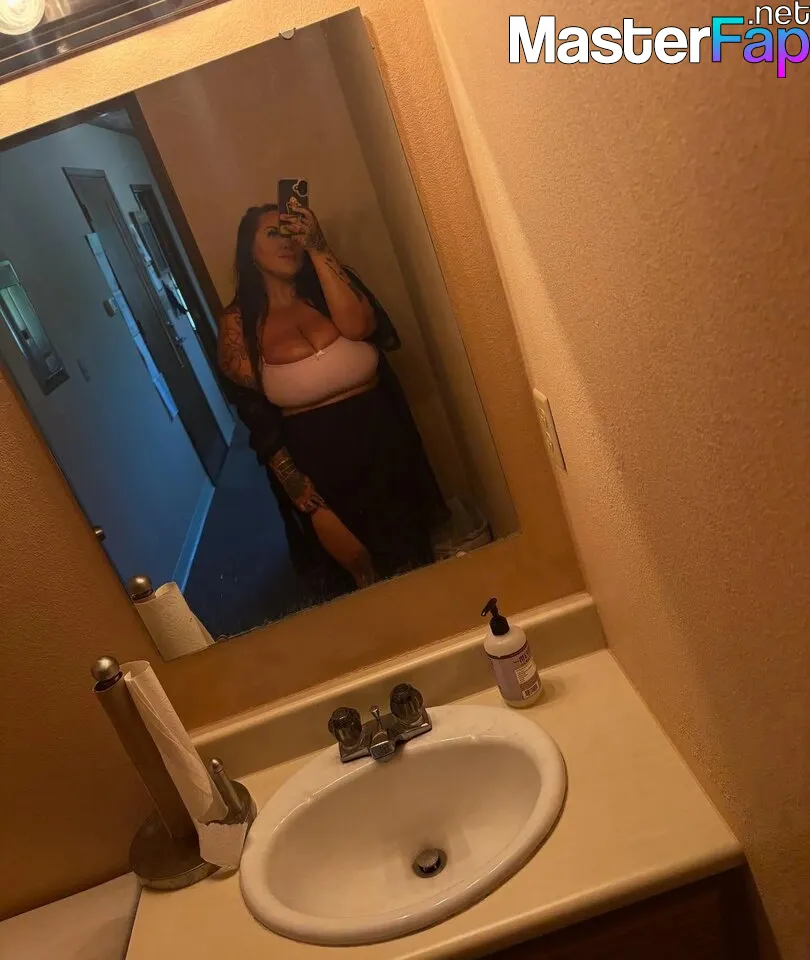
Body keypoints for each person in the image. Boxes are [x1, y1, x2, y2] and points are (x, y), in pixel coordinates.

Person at [217, 200, 446, 594]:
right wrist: (295, 483)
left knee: (414, 553)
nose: (287, 242)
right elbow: (255, 411)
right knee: (361, 573)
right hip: (319, 462)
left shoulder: (329, 287)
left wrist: (319, 248)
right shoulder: (238, 323)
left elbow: (360, 326)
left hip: (384, 438)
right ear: (249, 250)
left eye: (292, 232)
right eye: (273, 233)